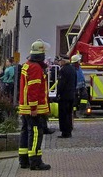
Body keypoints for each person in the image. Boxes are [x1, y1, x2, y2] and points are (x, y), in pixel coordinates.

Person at [18, 40, 52, 171]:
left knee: (25, 132)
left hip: (25, 106)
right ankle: (35, 162)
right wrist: (34, 108)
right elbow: (33, 90)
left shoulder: (27, 65)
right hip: (34, 108)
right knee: (36, 133)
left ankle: (24, 160)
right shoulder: (36, 68)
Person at [56, 55, 76, 138]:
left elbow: (61, 84)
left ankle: (65, 132)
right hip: (71, 95)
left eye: (60, 60)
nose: (60, 62)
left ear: (63, 61)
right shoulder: (73, 69)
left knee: (63, 114)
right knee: (69, 113)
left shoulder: (63, 70)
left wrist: (58, 94)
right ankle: (69, 130)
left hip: (64, 96)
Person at [72, 54, 89, 118]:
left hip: (81, 86)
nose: (80, 61)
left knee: (85, 96)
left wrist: (84, 85)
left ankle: (82, 110)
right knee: (75, 100)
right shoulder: (73, 68)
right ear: (76, 61)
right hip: (75, 87)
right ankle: (74, 113)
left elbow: (81, 77)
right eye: (79, 60)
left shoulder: (78, 67)